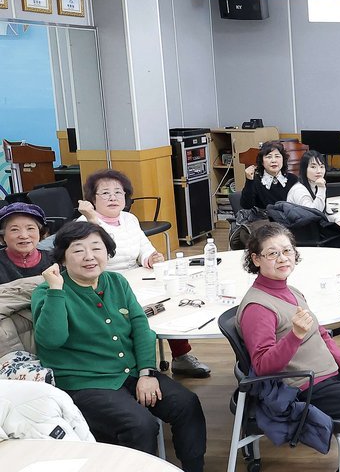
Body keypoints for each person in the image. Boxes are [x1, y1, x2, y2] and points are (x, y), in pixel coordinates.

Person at [32, 222, 206, 471]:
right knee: (140, 425)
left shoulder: (115, 281)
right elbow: (51, 339)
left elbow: (140, 327)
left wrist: (147, 372)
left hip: (130, 372)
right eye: (78, 250)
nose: (89, 256)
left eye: (97, 248)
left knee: (187, 403)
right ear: (62, 258)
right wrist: (56, 290)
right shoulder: (48, 292)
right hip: (85, 383)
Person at [236, 223, 340, 469]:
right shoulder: (258, 308)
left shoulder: (290, 290)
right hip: (305, 386)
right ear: (256, 259)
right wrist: (294, 335)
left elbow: (320, 332)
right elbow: (262, 366)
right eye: (272, 253)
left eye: (287, 250)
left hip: (328, 373)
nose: (282, 258)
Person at [77, 169, 210, 378]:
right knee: (137, 312)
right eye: (105, 193)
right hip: (105, 285)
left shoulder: (129, 219)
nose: (113, 198)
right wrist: (92, 219)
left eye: (118, 192)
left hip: (136, 277)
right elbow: (97, 255)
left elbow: (143, 248)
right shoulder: (84, 224)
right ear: (92, 199)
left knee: (170, 298)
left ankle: (181, 356)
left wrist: (151, 257)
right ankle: (139, 365)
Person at [0, 203, 54, 284]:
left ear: (40, 232)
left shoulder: (55, 260)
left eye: (30, 228)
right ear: (3, 235)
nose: (24, 236)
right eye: (14, 229)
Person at [241, 141, 300, 211]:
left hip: (289, 217)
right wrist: (249, 181)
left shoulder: (292, 179)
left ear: (283, 160)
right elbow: (246, 206)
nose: (273, 160)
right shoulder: (255, 181)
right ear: (262, 162)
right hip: (264, 217)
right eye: (269, 157)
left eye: (277, 156)